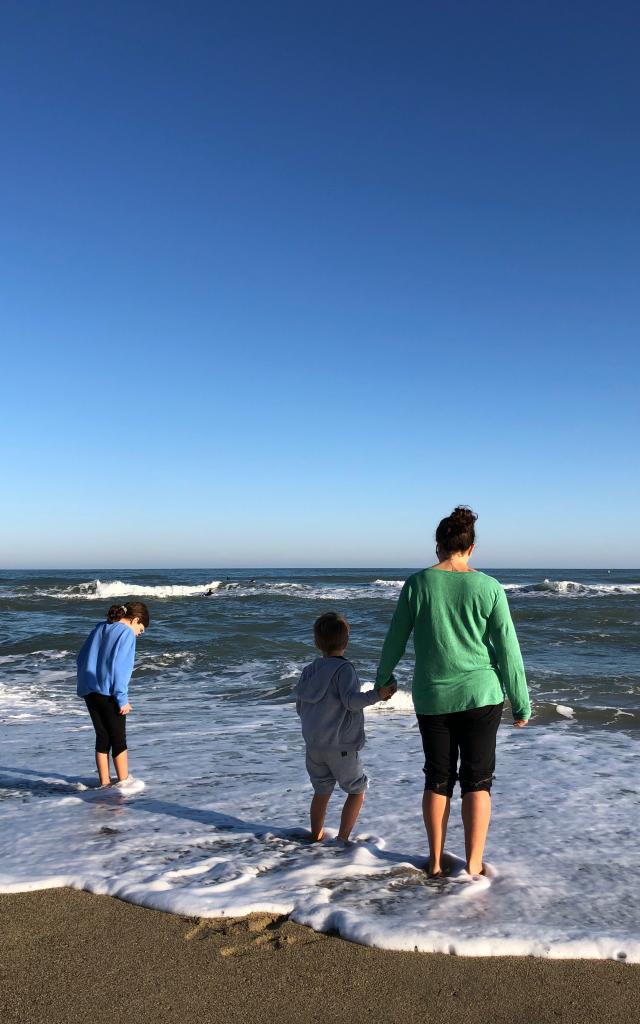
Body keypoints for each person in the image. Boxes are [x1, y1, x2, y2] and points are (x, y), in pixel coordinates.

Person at [375, 507, 531, 877]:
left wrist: (384, 678)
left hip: (432, 697)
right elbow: (508, 649)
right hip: (482, 695)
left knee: (437, 778)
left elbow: (396, 637)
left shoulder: (418, 584)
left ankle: (435, 862)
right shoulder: (489, 587)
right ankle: (474, 865)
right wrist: (520, 702)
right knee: (477, 782)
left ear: (437, 547)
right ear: (471, 548)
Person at [295, 612, 396, 843]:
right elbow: (351, 701)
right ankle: (342, 839)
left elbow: (300, 707)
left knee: (321, 791)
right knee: (357, 789)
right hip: (340, 746)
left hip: (313, 746)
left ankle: (316, 836)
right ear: (347, 641)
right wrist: (377, 695)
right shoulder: (344, 669)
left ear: (316, 642)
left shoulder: (309, 671)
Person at [76, 602, 150, 787]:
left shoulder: (100, 627)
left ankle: (104, 783)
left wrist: (84, 684)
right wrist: (122, 699)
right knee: (118, 740)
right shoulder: (126, 634)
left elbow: (80, 658)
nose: (139, 634)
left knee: (102, 737)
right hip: (109, 693)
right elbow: (120, 669)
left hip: (89, 690)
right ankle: (124, 785)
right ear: (135, 620)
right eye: (140, 630)